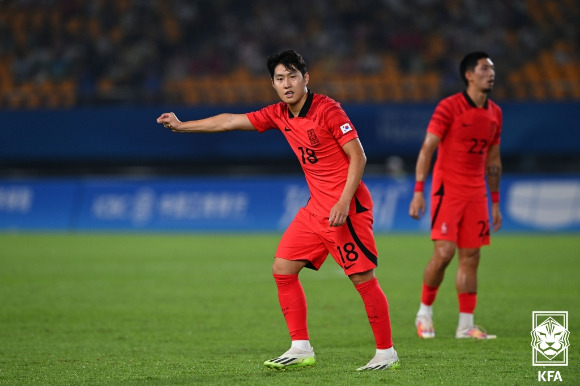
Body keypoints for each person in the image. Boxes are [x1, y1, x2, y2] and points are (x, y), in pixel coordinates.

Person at [157, 50, 399, 370]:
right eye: (280, 79)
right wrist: (183, 126)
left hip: (346, 210)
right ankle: (300, 348)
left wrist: (342, 202)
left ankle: (386, 353)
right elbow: (230, 120)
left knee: (362, 279)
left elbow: (359, 156)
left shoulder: (328, 110)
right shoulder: (279, 114)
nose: (287, 84)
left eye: (292, 76)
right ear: (273, 83)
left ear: (306, 78)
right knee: (283, 268)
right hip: (315, 211)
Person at [408, 51, 502, 340]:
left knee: (471, 257)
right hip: (447, 190)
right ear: (469, 75)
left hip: (476, 193)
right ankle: (424, 313)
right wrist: (418, 192)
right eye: (485, 68)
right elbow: (427, 149)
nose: (491, 73)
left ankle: (465, 325)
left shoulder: (495, 113)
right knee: (444, 253)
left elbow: (493, 160)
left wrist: (495, 201)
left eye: (492, 68)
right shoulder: (449, 107)